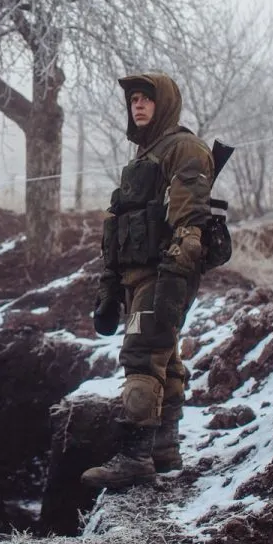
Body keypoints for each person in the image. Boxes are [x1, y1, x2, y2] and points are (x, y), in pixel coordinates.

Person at [81, 72, 214, 490]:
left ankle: (135, 457)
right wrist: (108, 285)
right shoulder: (143, 156)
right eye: (134, 99)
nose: (137, 105)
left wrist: (174, 279)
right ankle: (163, 449)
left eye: (146, 99)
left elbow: (191, 224)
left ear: (166, 103)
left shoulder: (184, 148)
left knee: (140, 355)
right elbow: (119, 225)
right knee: (164, 356)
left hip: (164, 274)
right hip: (138, 276)